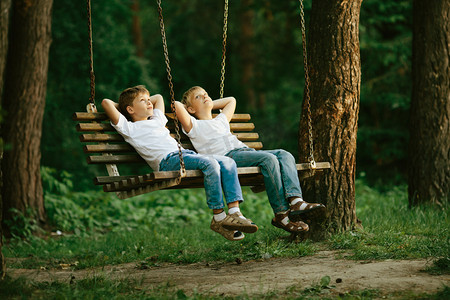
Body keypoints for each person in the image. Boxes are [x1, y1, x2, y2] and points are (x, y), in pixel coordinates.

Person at [101, 85, 258, 241]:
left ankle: (234, 213)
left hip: (185, 155)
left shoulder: (157, 120)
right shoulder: (128, 127)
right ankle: (218, 217)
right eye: (143, 101)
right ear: (129, 110)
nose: (149, 102)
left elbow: (158, 98)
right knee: (211, 164)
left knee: (228, 162)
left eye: (148, 100)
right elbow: (106, 102)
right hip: (168, 161)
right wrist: (122, 106)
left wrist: (142, 100)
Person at [175, 86, 327, 234]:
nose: (205, 96)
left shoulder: (220, 120)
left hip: (245, 152)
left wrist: (208, 103)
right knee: (269, 159)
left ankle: (296, 201)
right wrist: (201, 105)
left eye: (206, 93)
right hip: (227, 157)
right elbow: (176, 105)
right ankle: (281, 214)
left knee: (285, 154)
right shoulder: (193, 125)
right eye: (198, 96)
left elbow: (231, 100)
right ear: (190, 109)